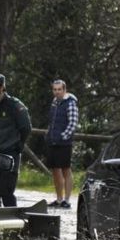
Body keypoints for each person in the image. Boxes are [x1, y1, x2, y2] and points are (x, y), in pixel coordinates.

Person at [0, 73, 32, 207]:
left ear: (2, 87)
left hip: (9, 155)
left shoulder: (14, 105)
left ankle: (13, 223)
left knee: (7, 191)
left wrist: (18, 146)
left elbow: (25, 128)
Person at [46, 79, 78, 208]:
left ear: (64, 90)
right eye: (55, 89)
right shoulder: (54, 102)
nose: (57, 92)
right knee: (54, 170)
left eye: (59, 89)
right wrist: (49, 135)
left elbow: (73, 123)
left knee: (66, 169)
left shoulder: (70, 103)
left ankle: (67, 200)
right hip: (52, 141)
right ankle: (58, 199)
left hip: (64, 143)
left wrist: (63, 136)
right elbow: (51, 122)